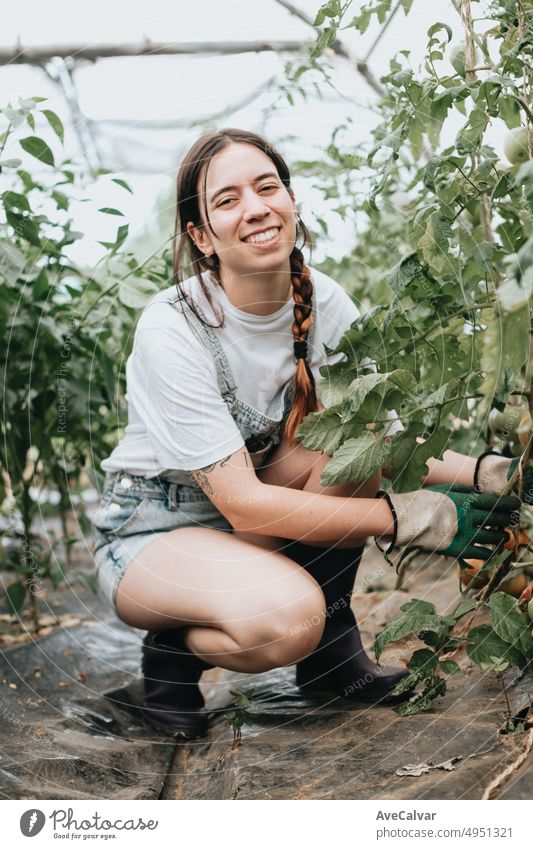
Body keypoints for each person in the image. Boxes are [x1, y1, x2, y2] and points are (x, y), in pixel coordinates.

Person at [89, 128, 520, 739]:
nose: (257, 207)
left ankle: (329, 660)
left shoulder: (320, 299)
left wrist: (492, 472)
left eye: (267, 188)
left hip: (258, 517)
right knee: (288, 620)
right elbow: (241, 504)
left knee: (357, 433)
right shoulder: (173, 330)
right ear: (201, 235)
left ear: (291, 201)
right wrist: (410, 519)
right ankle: (174, 653)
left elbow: (388, 446)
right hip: (156, 531)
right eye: (228, 199)